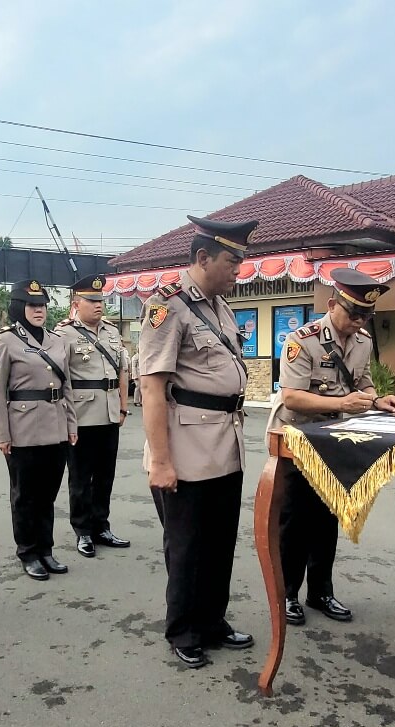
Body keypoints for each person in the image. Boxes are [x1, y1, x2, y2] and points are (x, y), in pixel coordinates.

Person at [138, 215, 258, 669]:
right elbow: (152, 388)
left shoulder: (220, 307)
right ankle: (183, 629)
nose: (238, 270)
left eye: (242, 261)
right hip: (185, 449)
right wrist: (161, 462)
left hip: (225, 444)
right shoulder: (166, 307)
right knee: (186, 546)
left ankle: (212, 620)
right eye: (232, 261)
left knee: (220, 541)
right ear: (202, 257)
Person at [272, 268, 395, 626]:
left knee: (326, 520)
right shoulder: (302, 340)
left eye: (366, 315)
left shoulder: (363, 341)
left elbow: (363, 385)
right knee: (295, 522)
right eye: (353, 313)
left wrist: (380, 399)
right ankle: (287, 594)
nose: (359, 321)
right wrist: (342, 404)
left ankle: (320, 592)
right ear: (333, 305)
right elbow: (291, 397)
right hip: (299, 441)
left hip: (337, 442)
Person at [0, 279, 78, 581]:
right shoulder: (6, 341)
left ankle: (46, 549)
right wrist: (1, 434)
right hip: (23, 429)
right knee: (25, 495)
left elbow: (67, 387)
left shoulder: (56, 341)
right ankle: (28, 551)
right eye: (32, 305)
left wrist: (71, 424)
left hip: (55, 427)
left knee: (47, 494)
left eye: (42, 305)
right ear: (19, 307)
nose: (38, 311)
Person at [55, 274, 132, 558]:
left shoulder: (111, 332)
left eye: (101, 301)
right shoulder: (64, 334)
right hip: (81, 414)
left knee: (105, 476)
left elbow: (122, 370)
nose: (98, 305)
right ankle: (83, 530)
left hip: (110, 412)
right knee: (80, 477)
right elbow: (59, 377)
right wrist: (65, 415)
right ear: (77, 304)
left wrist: (123, 406)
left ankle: (101, 526)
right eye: (92, 301)